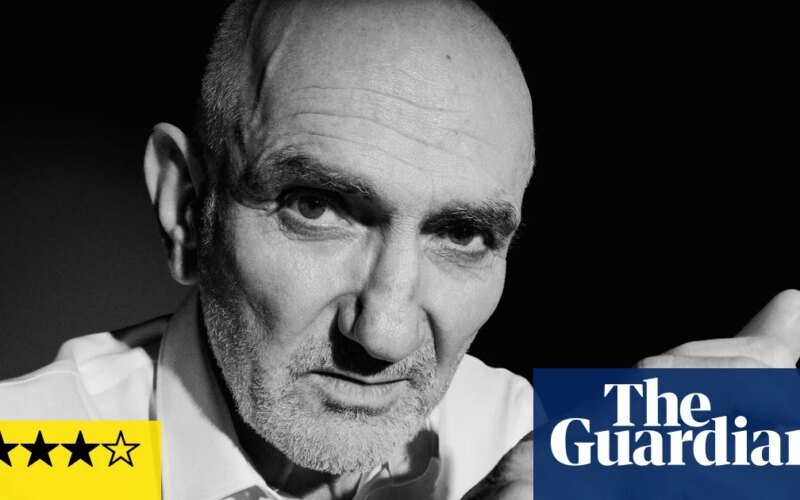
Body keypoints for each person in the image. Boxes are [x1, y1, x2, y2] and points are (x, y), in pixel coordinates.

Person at [1, 1, 798, 499]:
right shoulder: (34, 455)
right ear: (187, 210)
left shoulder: (552, 448)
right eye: (317, 207)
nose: (381, 334)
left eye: (462, 234)